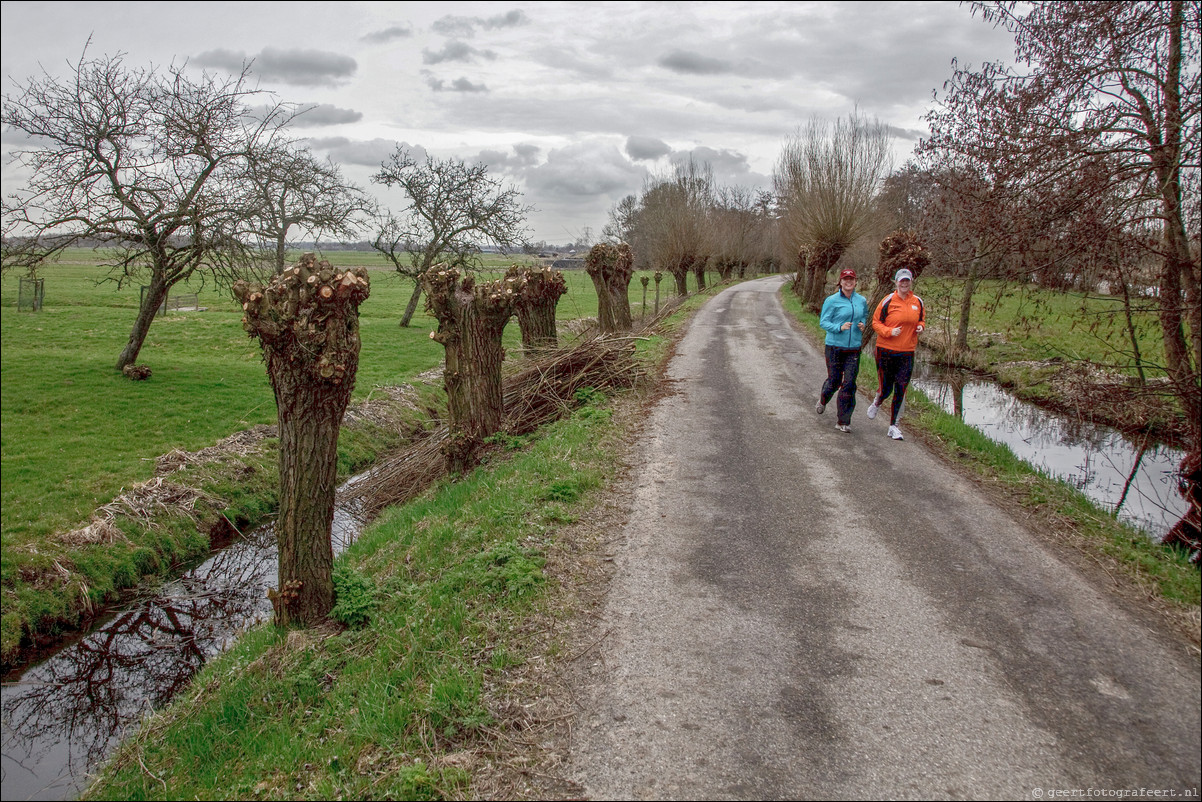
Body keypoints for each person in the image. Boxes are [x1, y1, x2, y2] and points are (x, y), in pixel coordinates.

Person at [868, 268, 924, 440]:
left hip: (907, 351)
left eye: (907, 280)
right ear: (896, 282)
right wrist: (888, 332)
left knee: (901, 388)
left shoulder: (918, 302)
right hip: (886, 350)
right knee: (886, 388)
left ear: (911, 282)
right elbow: (875, 323)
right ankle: (878, 400)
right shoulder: (887, 301)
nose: (905, 283)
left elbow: (921, 319)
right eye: (902, 281)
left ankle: (894, 426)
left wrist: (921, 326)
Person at [816, 268, 869, 432]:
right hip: (834, 346)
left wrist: (862, 324)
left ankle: (843, 422)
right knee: (835, 380)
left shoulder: (861, 300)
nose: (848, 282)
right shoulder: (832, 300)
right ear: (840, 282)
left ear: (856, 281)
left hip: (853, 348)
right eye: (845, 279)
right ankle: (823, 399)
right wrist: (839, 327)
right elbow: (823, 322)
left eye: (851, 279)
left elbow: (864, 316)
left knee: (849, 383)